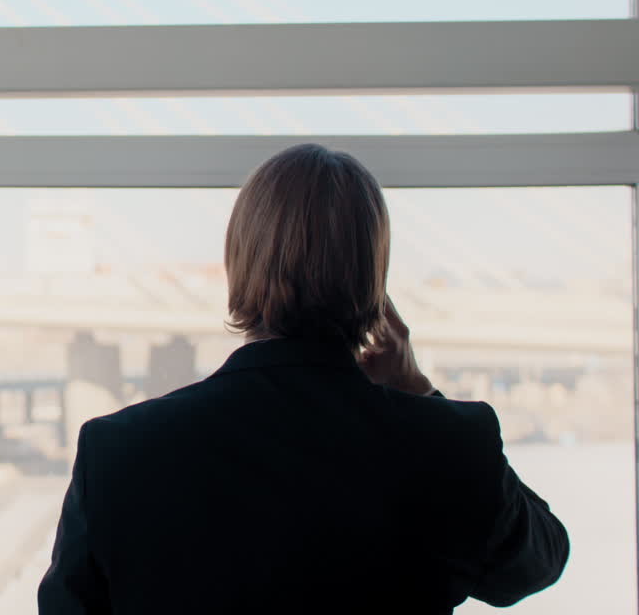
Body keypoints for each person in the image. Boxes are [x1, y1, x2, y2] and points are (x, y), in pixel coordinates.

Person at [37, 144, 569, 614]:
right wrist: (417, 388)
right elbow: (537, 562)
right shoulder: (447, 447)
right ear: (374, 282)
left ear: (238, 264)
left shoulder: (119, 452)